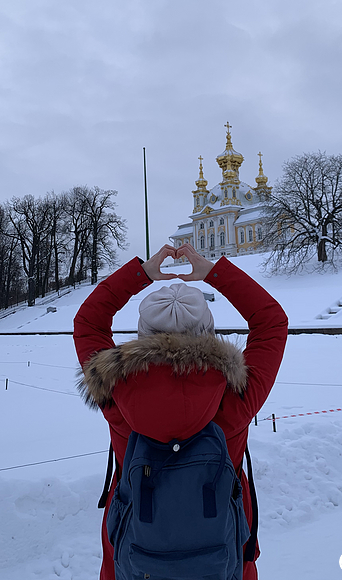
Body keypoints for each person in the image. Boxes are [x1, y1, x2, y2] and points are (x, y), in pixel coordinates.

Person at [74, 242, 288, 580]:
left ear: (142, 334)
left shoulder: (114, 388)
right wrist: (214, 272)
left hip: (134, 560)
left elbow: (88, 321)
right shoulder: (236, 394)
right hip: (223, 561)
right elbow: (271, 321)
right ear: (208, 332)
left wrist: (141, 273)